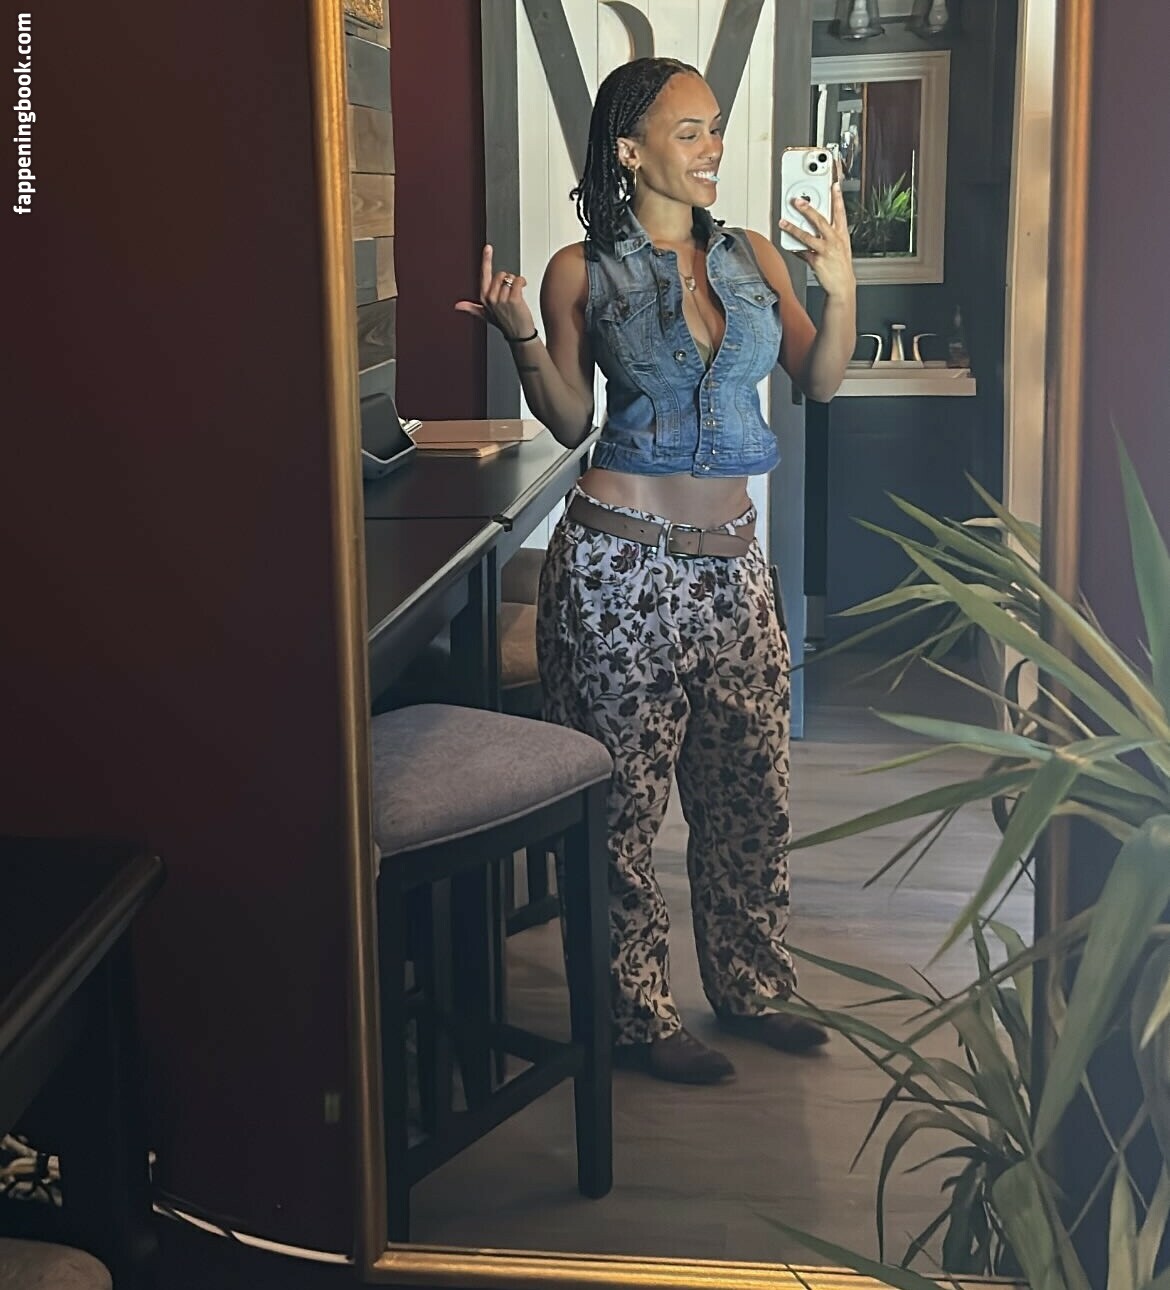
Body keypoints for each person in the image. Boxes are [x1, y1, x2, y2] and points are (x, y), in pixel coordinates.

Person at [456, 57, 856, 1085]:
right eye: (691, 132)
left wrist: (842, 284)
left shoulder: (754, 257)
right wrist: (521, 337)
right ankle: (636, 1015)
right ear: (631, 151)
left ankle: (753, 986)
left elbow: (817, 381)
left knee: (750, 795)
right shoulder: (580, 271)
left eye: (715, 127)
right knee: (622, 812)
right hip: (616, 568)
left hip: (734, 570)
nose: (713, 146)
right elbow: (569, 420)